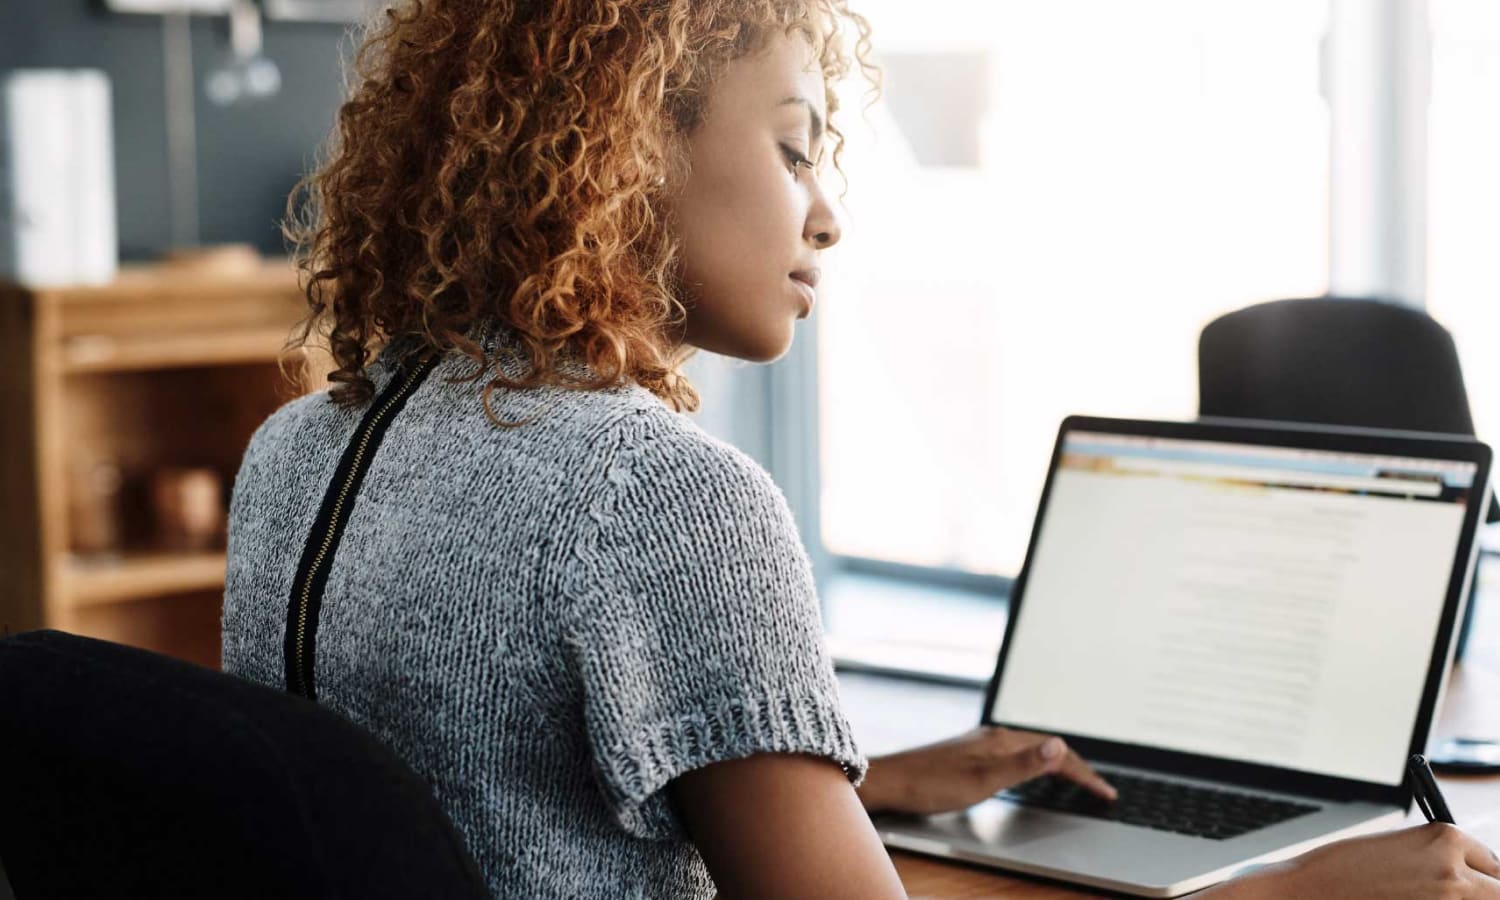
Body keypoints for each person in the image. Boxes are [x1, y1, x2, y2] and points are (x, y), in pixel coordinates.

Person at [221, 0, 1500, 897]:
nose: (827, 212)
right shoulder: (655, 495)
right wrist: (1282, 896)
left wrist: (842, 785)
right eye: (792, 147)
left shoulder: (295, 449)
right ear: (617, 150)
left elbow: (480, 802)